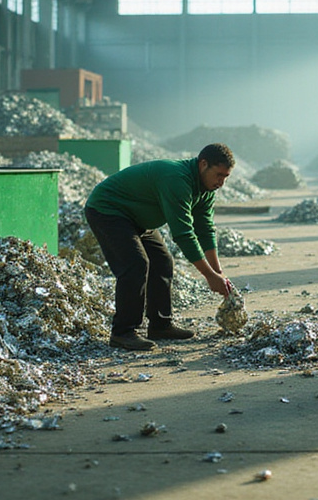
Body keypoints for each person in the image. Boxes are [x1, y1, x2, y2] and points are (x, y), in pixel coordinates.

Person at [84, 143, 236, 351]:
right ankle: (123, 332)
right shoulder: (177, 178)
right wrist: (209, 275)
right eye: (219, 175)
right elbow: (184, 234)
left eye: (226, 177)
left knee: (162, 261)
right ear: (203, 164)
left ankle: (160, 325)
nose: (222, 182)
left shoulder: (206, 189)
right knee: (136, 264)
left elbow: (205, 229)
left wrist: (218, 272)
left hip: (138, 218)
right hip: (109, 209)